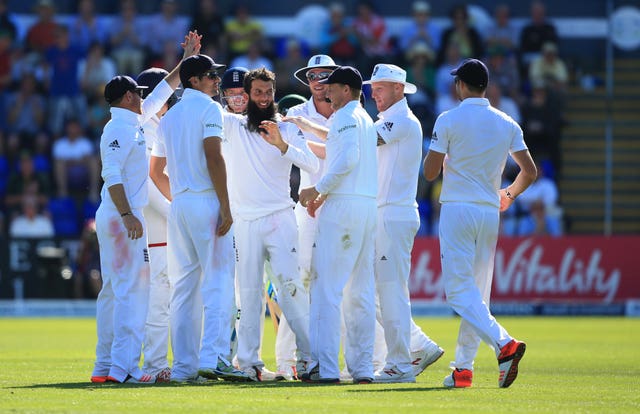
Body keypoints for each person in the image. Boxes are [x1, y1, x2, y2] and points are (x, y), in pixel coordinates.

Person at [90, 31, 201, 385]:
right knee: (131, 293)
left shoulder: (133, 121)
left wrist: (186, 59)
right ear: (127, 98)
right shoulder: (118, 129)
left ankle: (104, 366)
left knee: (113, 291)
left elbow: (162, 92)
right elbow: (111, 175)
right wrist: (128, 215)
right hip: (122, 217)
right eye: (138, 95)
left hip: (119, 216)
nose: (144, 99)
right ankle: (126, 370)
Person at [423, 58, 537, 388]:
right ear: (485, 86)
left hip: (458, 210)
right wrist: (510, 195)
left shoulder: (448, 119)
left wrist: (444, 157)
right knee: (477, 295)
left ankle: (505, 345)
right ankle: (463, 369)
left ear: (460, 85)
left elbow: (429, 173)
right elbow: (529, 172)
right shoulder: (506, 122)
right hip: (489, 211)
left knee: (460, 294)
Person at [154, 54, 249, 383]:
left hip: (179, 205)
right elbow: (213, 156)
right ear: (193, 80)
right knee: (220, 282)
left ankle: (183, 367)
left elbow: (156, 171)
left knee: (183, 289)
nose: (216, 80)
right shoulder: (210, 109)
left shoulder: (168, 116)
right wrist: (224, 205)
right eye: (210, 75)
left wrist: (182, 197)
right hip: (206, 202)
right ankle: (215, 357)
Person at [223, 67, 318, 381]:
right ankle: (249, 363)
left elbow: (313, 163)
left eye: (268, 92)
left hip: (280, 218)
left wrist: (281, 144)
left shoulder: (286, 129)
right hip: (245, 222)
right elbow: (197, 103)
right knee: (248, 294)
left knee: (290, 290)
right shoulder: (234, 126)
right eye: (258, 92)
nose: (263, 99)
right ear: (247, 94)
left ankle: (309, 359)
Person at [290, 66, 378, 383]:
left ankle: (325, 368)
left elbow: (347, 159)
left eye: (331, 87)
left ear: (345, 89)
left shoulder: (342, 117)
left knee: (326, 290)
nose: (326, 92)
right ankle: (363, 368)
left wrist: (318, 188)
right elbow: (350, 161)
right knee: (361, 292)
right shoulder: (365, 120)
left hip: (344, 209)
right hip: (366, 207)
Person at [362, 64, 444, 383]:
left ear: (399, 89)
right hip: (384, 212)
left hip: (393, 213)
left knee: (390, 289)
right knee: (375, 291)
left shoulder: (402, 120)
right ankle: (417, 346)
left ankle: (400, 363)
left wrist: (332, 126)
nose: (374, 93)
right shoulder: (387, 119)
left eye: (380, 88)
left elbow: (363, 142)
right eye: (373, 87)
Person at [134, 67, 176, 380]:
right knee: (159, 297)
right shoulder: (142, 129)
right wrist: (178, 215)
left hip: (170, 226)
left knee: (174, 298)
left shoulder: (163, 126)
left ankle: (168, 363)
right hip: (157, 228)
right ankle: (155, 365)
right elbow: (147, 185)